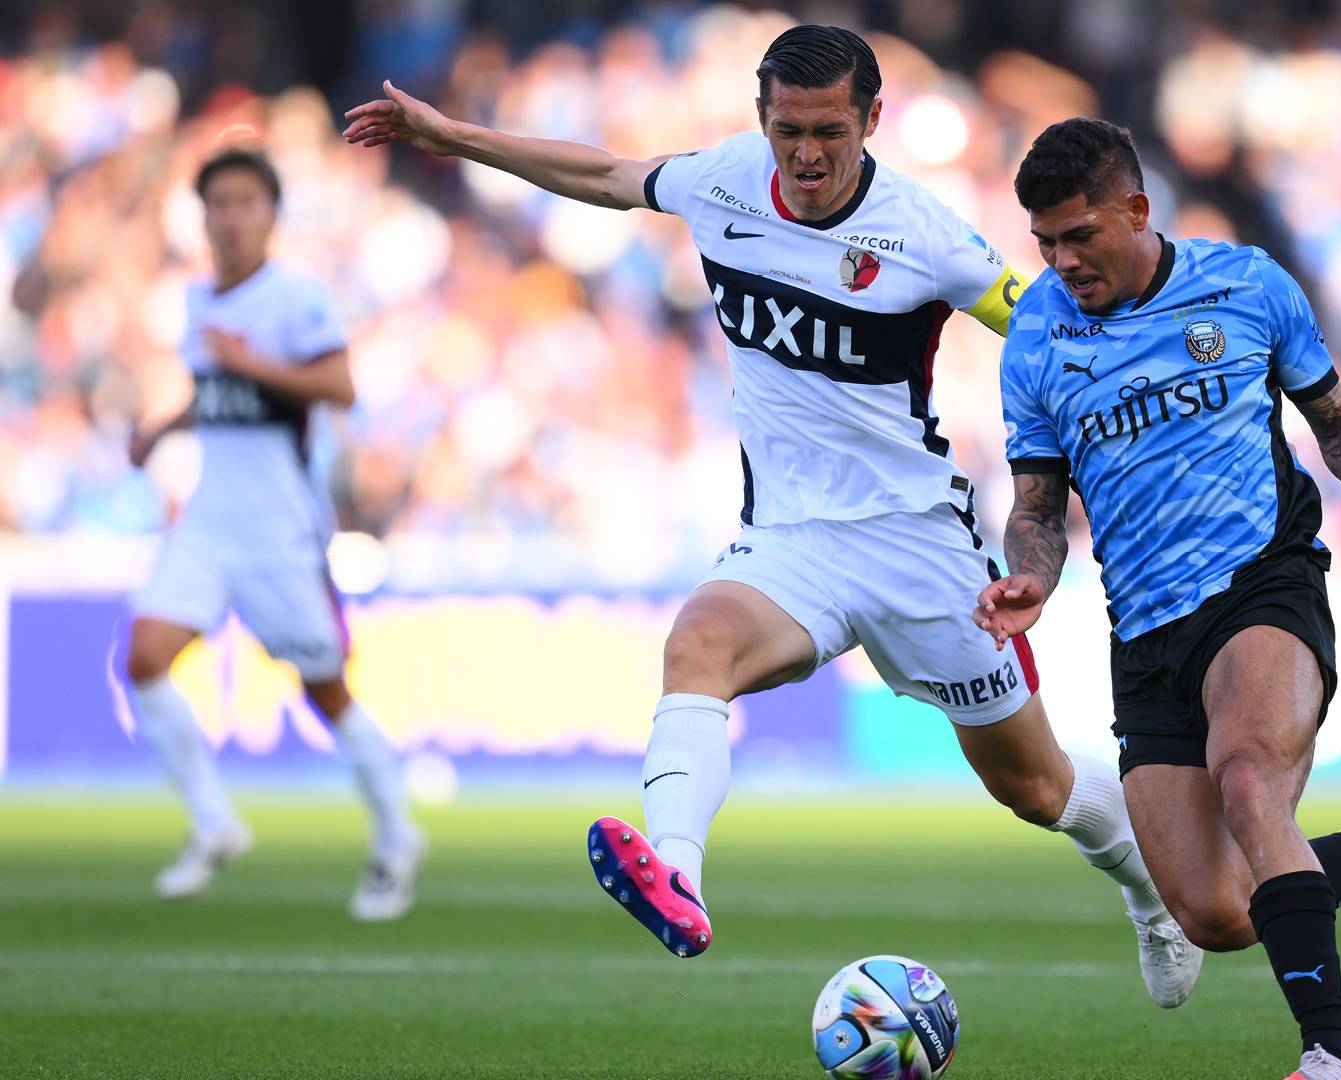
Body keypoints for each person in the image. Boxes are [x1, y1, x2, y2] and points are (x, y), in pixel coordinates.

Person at [342, 26, 1200, 1005]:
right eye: (789, 130)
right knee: (697, 644)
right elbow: (609, 175)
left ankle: (1152, 895)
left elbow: (1047, 320)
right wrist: (454, 136)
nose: (807, 153)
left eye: (830, 131)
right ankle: (676, 877)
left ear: (872, 121)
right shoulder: (724, 183)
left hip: (917, 546)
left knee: (1036, 787)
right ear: (762, 119)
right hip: (791, 540)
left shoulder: (921, 233)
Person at [978, 118, 1341, 1079]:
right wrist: (1032, 578)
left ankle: (1333, 1058)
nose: (1062, 261)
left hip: (1262, 581)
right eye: (1045, 243)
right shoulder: (1035, 333)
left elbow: (1334, 417)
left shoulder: (1246, 285)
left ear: (1137, 209)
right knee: (1214, 913)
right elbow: (1038, 502)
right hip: (1145, 629)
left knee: (1250, 783)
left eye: (1080, 235)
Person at [124, 148, 423, 920]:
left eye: (245, 201)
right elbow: (215, 394)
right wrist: (161, 431)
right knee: (145, 658)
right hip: (207, 518)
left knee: (325, 688)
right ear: (203, 216)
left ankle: (397, 836)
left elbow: (339, 386)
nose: (231, 216)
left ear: (271, 214)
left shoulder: (295, 296)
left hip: (279, 527)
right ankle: (213, 823)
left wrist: (253, 363)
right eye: (218, 202)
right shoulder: (198, 299)